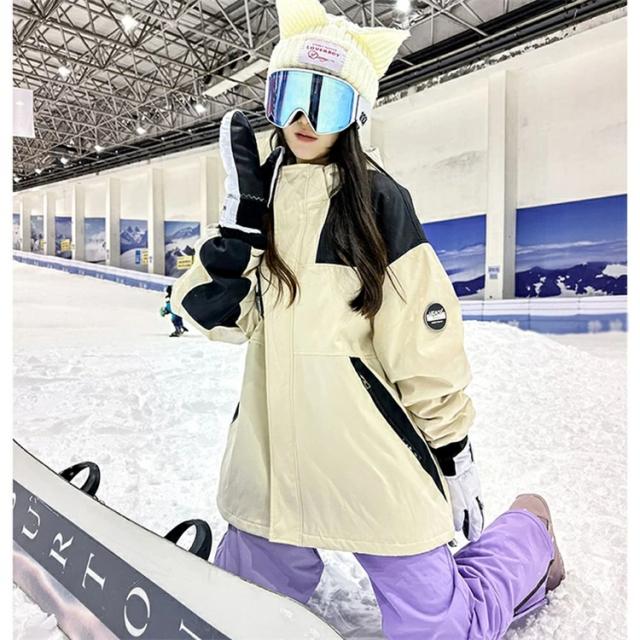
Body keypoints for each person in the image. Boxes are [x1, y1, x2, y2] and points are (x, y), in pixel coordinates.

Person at [171, 0, 565, 637]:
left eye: (325, 102)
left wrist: (453, 452)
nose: (302, 120)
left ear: (355, 114)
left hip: (372, 462)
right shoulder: (254, 198)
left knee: (444, 631)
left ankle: (529, 531)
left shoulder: (380, 203)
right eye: (289, 95)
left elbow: (423, 344)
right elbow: (212, 318)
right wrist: (234, 241)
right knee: (236, 612)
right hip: (274, 465)